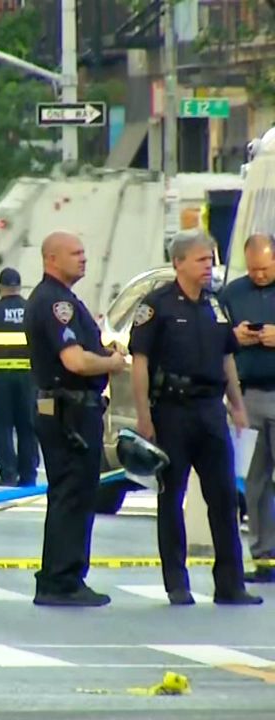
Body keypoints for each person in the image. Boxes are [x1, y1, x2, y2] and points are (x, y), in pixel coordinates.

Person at [130, 230, 262, 606]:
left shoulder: (216, 306)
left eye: (211, 260)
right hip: (171, 409)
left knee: (224, 497)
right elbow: (139, 362)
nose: (209, 267)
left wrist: (236, 406)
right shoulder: (156, 306)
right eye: (203, 260)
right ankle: (177, 582)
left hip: (210, 409)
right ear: (180, 263)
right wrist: (144, 416)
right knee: (171, 497)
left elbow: (227, 358)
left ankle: (230, 584)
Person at [25, 233, 126, 607]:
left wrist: (100, 352)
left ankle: (62, 575)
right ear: (52, 258)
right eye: (76, 253)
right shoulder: (55, 302)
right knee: (73, 495)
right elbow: (75, 361)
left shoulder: (64, 299)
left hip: (73, 409)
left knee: (75, 495)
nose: (84, 259)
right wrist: (111, 363)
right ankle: (61, 580)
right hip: (68, 412)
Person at [221, 232, 275, 583]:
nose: (259, 275)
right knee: (255, 480)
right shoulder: (232, 294)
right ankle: (264, 554)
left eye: (266, 269)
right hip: (249, 395)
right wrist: (234, 337)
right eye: (254, 269)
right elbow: (214, 337)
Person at [0, 267, 39, 488]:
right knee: (28, 427)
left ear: (0, 288)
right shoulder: (31, 310)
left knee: (2, 426)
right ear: (19, 287)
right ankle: (29, 474)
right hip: (28, 379)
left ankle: (8, 473)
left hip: (0, 379)